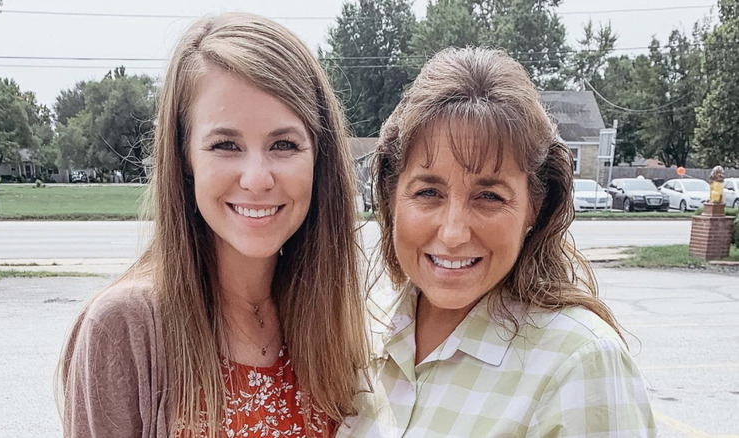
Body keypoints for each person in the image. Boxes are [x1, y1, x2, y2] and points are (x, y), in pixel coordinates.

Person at [58, 13, 368, 438]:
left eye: (284, 144)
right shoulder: (122, 328)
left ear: (319, 157)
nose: (257, 178)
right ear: (186, 158)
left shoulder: (334, 318)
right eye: (225, 145)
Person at [338, 47, 656, 437]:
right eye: (428, 193)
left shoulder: (579, 364)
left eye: (489, 196)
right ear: (390, 197)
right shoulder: (359, 333)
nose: (454, 233)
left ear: (534, 209)